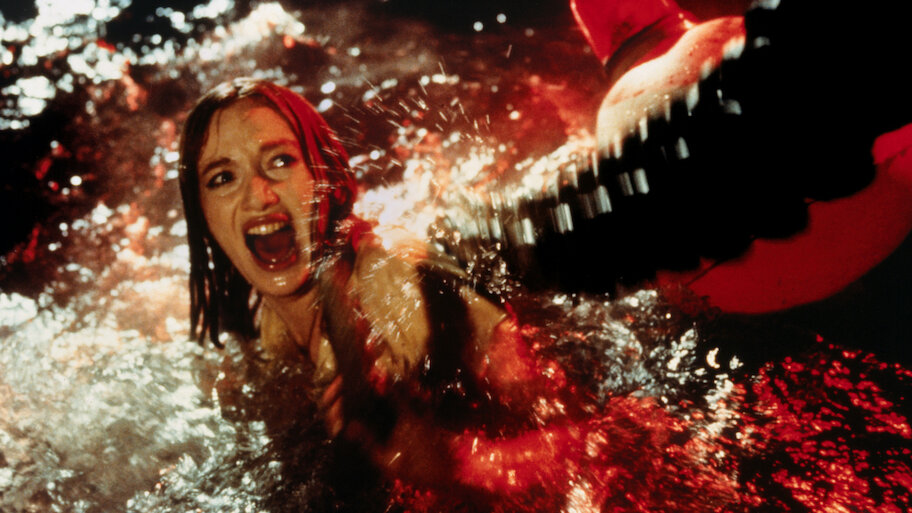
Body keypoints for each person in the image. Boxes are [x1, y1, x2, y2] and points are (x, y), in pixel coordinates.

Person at [177, 79, 595, 501]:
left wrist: (456, 465)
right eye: (222, 177)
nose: (258, 195)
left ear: (329, 180)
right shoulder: (269, 322)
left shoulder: (398, 292)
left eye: (280, 160)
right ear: (203, 216)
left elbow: (582, 450)